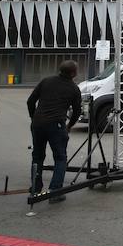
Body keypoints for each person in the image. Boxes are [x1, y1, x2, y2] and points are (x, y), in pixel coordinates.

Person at [26, 60, 82, 203]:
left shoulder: (46, 81)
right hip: (56, 124)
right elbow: (77, 111)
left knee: (37, 156)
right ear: (73, 73)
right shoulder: (74, 88)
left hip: (38, 124)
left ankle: (36, 187)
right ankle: (55, 191)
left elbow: (30, 101)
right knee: (60, 157)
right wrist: (69, 126)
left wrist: (34, 118)